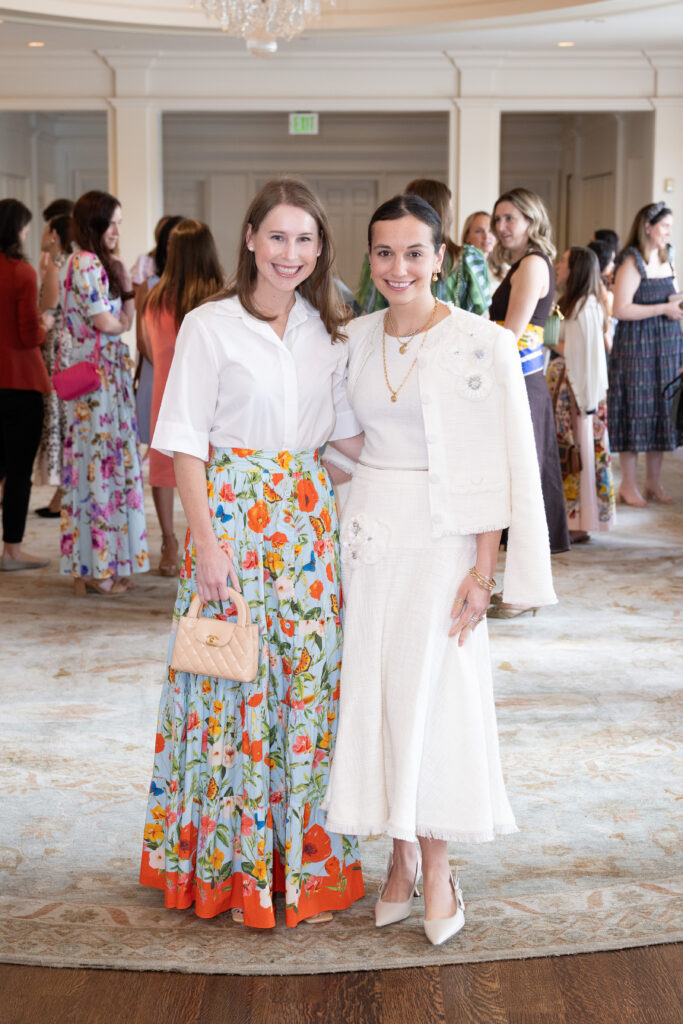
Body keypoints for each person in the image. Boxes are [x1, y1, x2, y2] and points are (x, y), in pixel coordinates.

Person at [321, 194, 555, 947]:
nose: (398, 267)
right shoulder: (351, 339)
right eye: (383, 253)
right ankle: (397, 858)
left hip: (446, 536)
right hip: (367, 532)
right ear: (369, 259)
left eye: (414, 252)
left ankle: (439, 863)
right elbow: (340, 438)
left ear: (442, 258)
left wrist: (483, 570)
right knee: (377, 691)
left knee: (434, 695)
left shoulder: (478, 341)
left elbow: (493, 459)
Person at [140, 178, 365, 929]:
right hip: (229, 525)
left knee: (304, 690)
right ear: (248, 240)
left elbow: (344, 441)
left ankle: (298, 863)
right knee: (228, 689)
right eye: (277, 237)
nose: (290, 254)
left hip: (304, 530)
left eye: (305, 240)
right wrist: (205, 545)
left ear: (319, 248)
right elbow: (185, 445)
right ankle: (224, 865)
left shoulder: (328, 330)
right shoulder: (210, 326)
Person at [59, 190, 149, 594]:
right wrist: (128, 297)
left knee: (90, 469)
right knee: (101, 469)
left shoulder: (77, 262)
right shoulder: (89, 263)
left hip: (95, 381)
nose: (116, 231)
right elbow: (110, 324)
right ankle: (98, 570)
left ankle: (90, 565)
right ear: (95, 225)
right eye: (111, 223)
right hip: (101, 386)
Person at [489, 187, 571, 593]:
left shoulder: (533, 264)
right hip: (519, 381)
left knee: (524, 486)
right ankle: (523, 588)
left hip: (522, 381)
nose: (502, 227)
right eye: (498, 219)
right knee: (519, 483)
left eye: (511, 219)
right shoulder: (524, 264)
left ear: (531, 221)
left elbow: (512, 333)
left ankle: (526, 590)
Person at [142, 218, 223, 575]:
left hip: (165, 395)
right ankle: (206, 540)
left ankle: (168, 542)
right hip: (211, 398)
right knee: (206, 471)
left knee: (163, 470)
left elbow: (147, 349)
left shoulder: (156, 298)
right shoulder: (219, 297)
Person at [607, 202, 683, 505]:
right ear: (648, 227)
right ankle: (627, 484)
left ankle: (652, 482)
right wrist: (664, 308)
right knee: (635, 413)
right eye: (664, 226)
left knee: (661, 414)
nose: (668, 232)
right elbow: (620, 309)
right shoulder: (631, 261)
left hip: (666, 347)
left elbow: (672, 298)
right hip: (636, 348)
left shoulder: (668, 259)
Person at [0, 199, 53, 571]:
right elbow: (27, 335)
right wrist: (46, 324)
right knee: (18, 471)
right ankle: (12, 551)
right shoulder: (22, 272)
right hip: (20, 381)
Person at [548, 246, 616, 540]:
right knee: (577, 454)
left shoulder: (583, 306)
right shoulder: (579, 303)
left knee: (577, 454)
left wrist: (547, 340)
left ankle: (578, 523)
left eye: (563, 261)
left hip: (578, 393)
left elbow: (577, 353)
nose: (558, 266)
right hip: (577, 390)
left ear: (575, 269)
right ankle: (577, 522)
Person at [354, 179, 491, 316]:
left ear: (438, 258)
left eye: (415, 254)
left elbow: (370, 309)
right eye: (385, 253)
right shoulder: (468, 258)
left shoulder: (468, 258)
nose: (399, 271)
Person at [132, 215, 185, 449]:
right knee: (157, 450)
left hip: (187, 377)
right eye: (170, 242)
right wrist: (168, 371)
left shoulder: (205, 288)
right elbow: (142, 340)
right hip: (157, 371)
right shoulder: (150, 286)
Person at [35, 212, 71, 517]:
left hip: (55, 349)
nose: (44, 234)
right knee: (68, 419)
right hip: (72, 348)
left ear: (56, 234)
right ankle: (63, 494)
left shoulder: (56, 267)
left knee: (58, 419)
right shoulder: (79, 262)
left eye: (47, 229)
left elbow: (47, 310)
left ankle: (63, 494)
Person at [461, 210, 504, 292]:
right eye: (479, 231)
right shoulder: (459, 267)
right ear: (467, 237)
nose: (486, 236)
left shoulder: (503, 268)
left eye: (490, 231)